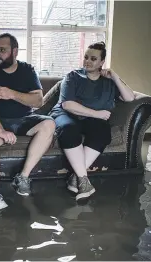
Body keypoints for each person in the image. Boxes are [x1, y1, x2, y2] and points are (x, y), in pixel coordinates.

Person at [0, 33, 56, 215]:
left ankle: (23, 177)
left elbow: (38, 101)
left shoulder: (27, 70)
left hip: (23, 120)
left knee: (49, 124)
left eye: (2, 50)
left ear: (15, 52)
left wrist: (11, 94)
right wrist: (0, 130)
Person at [49, 41, 135, 201]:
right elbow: (68, 105)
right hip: (66, 114)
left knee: (102, 133)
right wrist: (97, 114)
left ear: (102, 62)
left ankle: (77, 177)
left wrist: (115, 76)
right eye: (86, 57)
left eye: (93, 59)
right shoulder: (73, 76)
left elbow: (129, 98)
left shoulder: (108, 81)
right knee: (68, 129)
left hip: (91, 119)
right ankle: (84, 180)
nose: (87, 61)